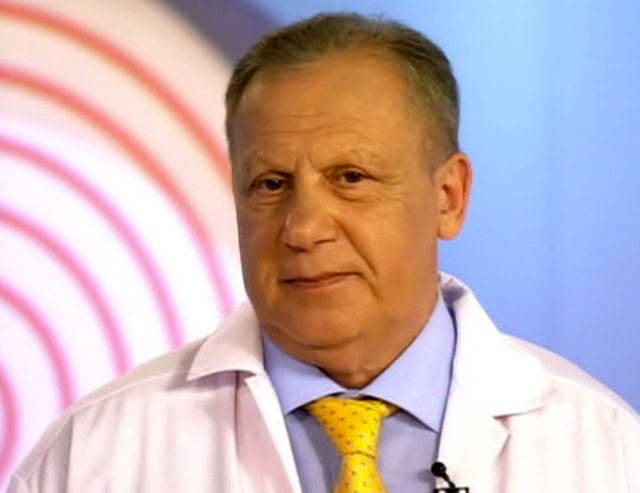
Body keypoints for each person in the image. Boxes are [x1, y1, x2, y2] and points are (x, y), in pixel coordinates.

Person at [8, 12, 640, 493]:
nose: (304, 229)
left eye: (351, 177)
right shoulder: (93, 457)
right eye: (270, 184)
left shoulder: (605, 451)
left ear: (448, 196)